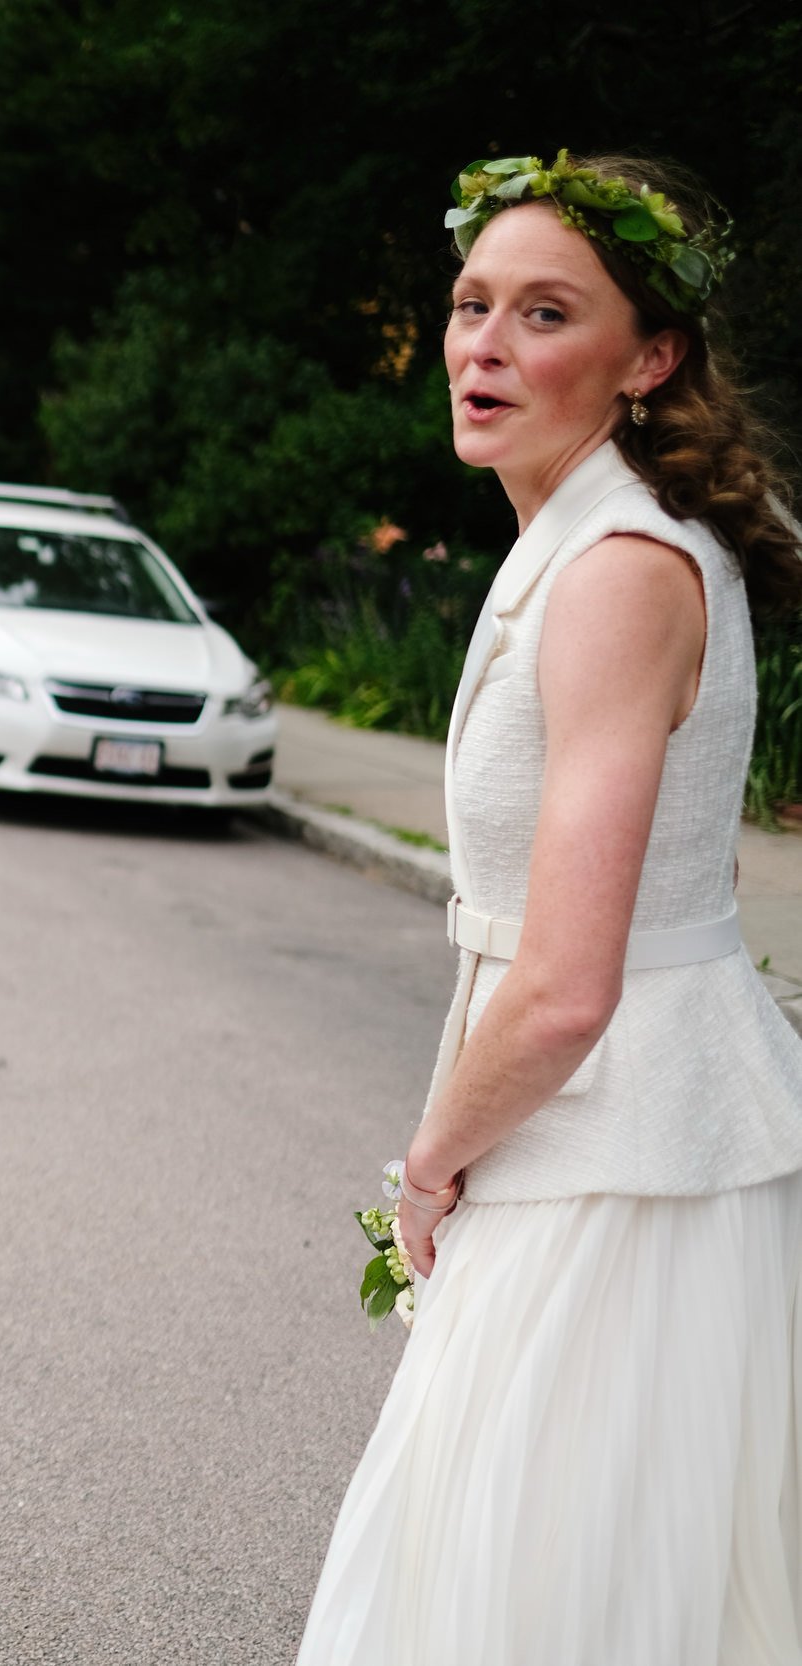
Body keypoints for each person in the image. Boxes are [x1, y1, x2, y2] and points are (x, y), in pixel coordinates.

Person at [299, 152, 802, 1663]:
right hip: (629, 1129)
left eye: (543, 313)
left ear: (649, 361)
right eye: (470, 305)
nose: (485, 345)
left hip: (615, 1169)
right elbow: (684, 880)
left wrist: (430, 1165)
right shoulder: (587, 543)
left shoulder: (616, 574)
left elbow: (574, 983)